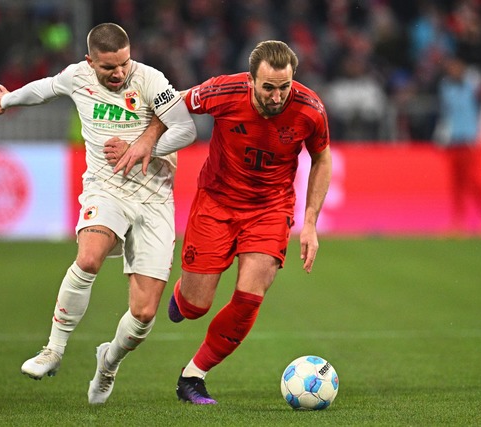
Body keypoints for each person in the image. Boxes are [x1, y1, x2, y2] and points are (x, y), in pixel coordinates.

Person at [109, 40, 332, 404]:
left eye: (284, 87)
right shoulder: (224, 90)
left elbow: (322, 159)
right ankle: (184, 298)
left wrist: (309, 223)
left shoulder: (310, 109)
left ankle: (193, 376)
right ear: (251, 81)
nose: (277, 97)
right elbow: (171, 102)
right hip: (216, 203)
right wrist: (149, 138)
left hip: (270, 208)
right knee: (196, 307)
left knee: (249, 297)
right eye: (269, 88)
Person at [0, 22, 196, 404]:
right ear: (90, 62)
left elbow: (185, 129)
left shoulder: (150, 80)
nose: (118, 74)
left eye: (123, 65)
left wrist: (138, 145)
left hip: (155, 198)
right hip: (106, 188)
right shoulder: (77, 77)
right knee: (89, 256)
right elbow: (44, 88)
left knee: (145, 312)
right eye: (108, 68)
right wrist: (8, 101)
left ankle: (108, 362)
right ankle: (53, 349)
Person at [434, 54, 481, 234]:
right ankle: (458, 221)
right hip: (453, 140)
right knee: (456, 183)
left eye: (456, 68)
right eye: (450, 69)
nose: (453, 71)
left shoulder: (471, 85)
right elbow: (445, 114)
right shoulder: (445, 88)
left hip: (469, 140)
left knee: (472, 181)